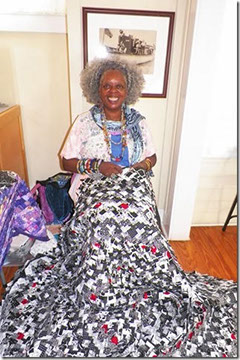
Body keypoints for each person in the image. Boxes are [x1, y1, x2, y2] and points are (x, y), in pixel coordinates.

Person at [0, 56, 237, 358]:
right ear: (97, 90)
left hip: (132, 185)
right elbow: (66, 161)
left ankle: (141, 279)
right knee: (103, 216)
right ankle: (98, 284)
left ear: (128, 90)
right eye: (106, 86)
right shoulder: (84, 122)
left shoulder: (139, 122)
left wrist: (142, 164)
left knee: (139, 216)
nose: (113, 91)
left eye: (119, 86)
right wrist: (97, 165)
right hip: (93, 185)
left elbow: (152, 156)